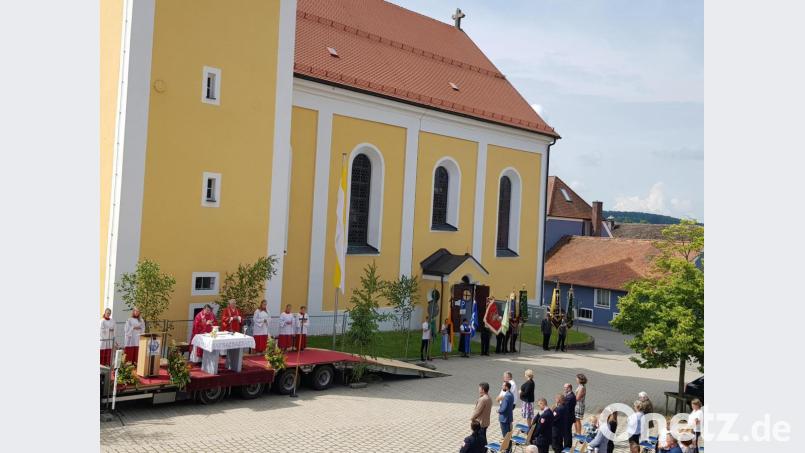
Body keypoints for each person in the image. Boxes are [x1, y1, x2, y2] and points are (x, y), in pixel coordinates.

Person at [498, 381, 515, 452]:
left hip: (504, 419)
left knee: (506, 436)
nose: (502, 387)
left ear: (506, 387)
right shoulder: (511, 394)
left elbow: (503, 408)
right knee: (508, 436)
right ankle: (509, 449)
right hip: (508, 418)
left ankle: (507, 450)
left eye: (503, 386)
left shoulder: (507, 396)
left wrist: (498, 410)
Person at [562, 383, 576, 448]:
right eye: (564, 387)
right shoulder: (569, 395)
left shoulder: (570, 397)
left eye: (565, 387)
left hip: (568, 417)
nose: (564, 389)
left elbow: (566, 408)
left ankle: (567, 446)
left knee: (567, 433)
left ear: (569, 388)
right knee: (567, 432)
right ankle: (568, 445)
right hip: (569, 417)